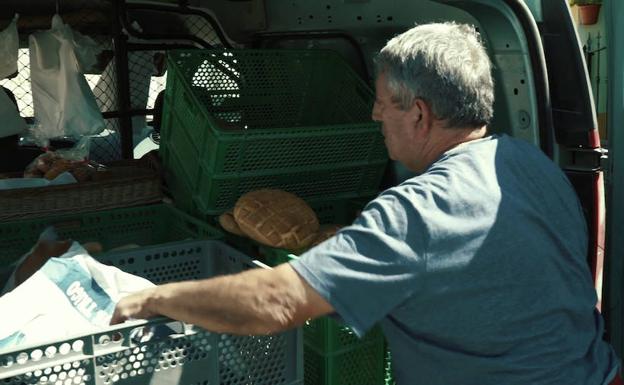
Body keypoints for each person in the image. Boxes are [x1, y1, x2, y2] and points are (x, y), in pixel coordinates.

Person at [111, 23, 621, 384]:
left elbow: (276, 302)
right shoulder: (530, 165)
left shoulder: (417, 210)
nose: (375, 114)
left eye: (381, 100)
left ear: (419, 114)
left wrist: (151, 300)